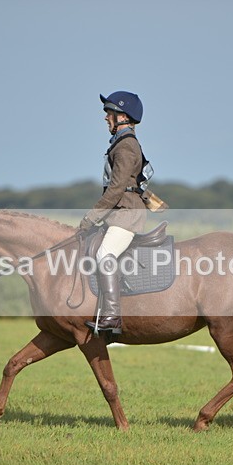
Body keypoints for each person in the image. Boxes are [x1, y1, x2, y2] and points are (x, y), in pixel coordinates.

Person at [79, 91, 149, 334]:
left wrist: (91, 216)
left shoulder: (126, 145)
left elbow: (117, 188)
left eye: (109, 113)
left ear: (122, 116)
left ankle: (111, 316)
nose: (106, 117)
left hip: (126, 213)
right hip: (121, 212)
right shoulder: (122, 143)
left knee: (105, 254)